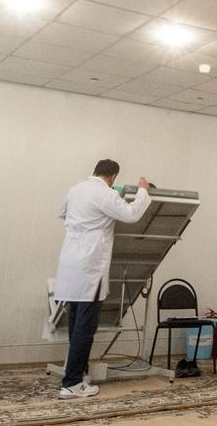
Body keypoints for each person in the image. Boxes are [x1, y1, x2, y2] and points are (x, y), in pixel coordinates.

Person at [53, 159, 152, 399]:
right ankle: (72, 382)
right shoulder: (104, 194)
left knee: (76, 326)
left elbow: (61, 212)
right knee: (85, 329)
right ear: (113, 177)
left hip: (70, 263)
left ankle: (76, 374)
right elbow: (131, 214)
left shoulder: (76, 189)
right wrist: (143, 191)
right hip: (90, 267)